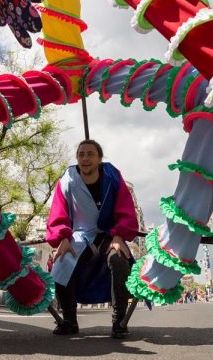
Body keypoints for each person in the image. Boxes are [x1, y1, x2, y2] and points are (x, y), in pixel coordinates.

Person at [46, 139, 139, 339]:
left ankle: (119, 320)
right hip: (78, 235)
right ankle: (70, 321)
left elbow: (125, 208)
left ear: (99, 159)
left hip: (110, 234)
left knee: (118, 260)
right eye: (81, 154)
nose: (85, 158)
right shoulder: (67, 180)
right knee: (62, 261)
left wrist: (119, 235)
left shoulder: (112, 176)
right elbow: (58, 211)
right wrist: (63, 238)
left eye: (90, 154)